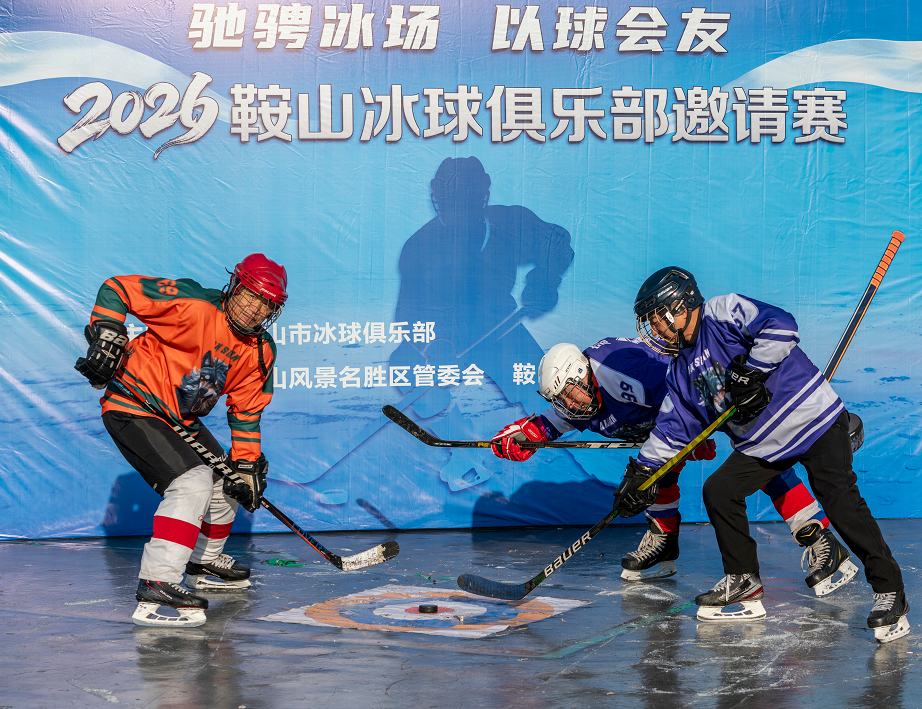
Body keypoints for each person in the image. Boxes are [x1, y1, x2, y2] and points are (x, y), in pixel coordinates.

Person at [621, 266, 908, 642]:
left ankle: (890, 591)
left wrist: (753, 371)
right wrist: (642, 471)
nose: (655, 329)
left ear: (680, 304)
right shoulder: (679, 372)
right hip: (764, 446)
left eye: (656, 318)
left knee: (839, 498)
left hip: (813, 419)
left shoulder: (722, 311)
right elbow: (673, 427)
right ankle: (743, 580)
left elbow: (781, 326)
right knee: (719, 490)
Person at [491, 339, 856, 596]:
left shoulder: (621, 372)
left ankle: (819, 537)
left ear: (584, 373)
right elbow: (550, 425)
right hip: (667, 421)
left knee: (760, 456)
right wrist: (523, 436)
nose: (571, 405)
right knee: (651, 474)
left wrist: (692, 434)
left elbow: (682, 392)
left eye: (571, 394)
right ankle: (664, 543)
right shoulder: (579, 397)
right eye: (562, 400)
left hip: (705, 394)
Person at [74, 254, 287, 628]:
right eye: (250, 295)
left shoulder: (260, 351)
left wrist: (247, 462)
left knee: (228, 479)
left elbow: (246, 412)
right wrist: (108, 331)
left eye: (266, 304)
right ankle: (157, 582)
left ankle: (202, 562)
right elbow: (117, 288)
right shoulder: (194, 304)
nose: (255, 308)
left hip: (181, 420)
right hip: (132, 404)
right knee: (193, 482)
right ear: (234, 286)